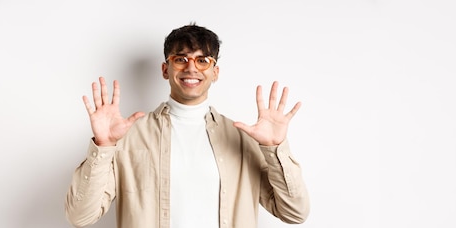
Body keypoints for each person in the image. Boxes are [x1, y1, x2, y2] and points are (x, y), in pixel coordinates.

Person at [65, 23, 310, 228]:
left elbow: (295, 213)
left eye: (202, 60)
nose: (191, 67)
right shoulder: (130, 136)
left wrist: (275, 149)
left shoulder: (243, 139)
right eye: (180, 59)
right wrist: (104, 146)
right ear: (165, 69)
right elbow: (80, 216)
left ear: (215, 72)